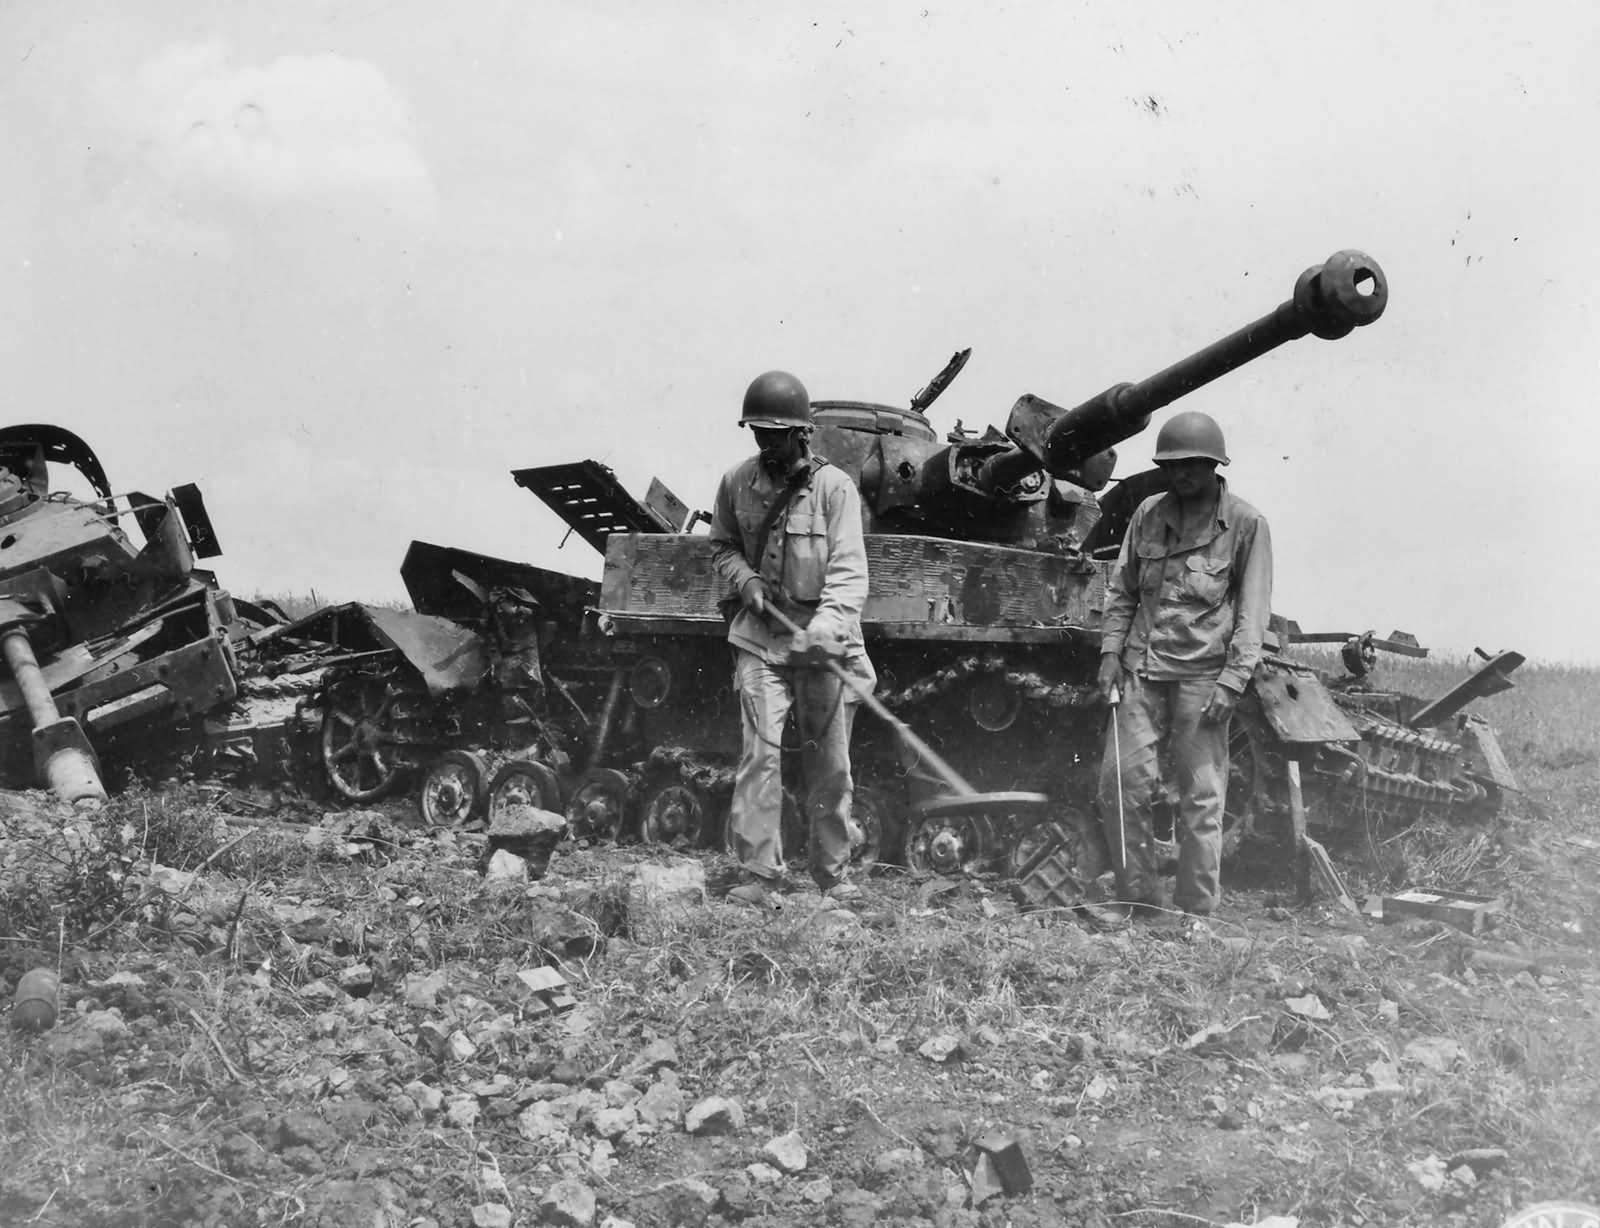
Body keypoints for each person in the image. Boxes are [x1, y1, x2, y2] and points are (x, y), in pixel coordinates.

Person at [1095, 410, 1272, 920]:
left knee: (1201, 798)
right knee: (1119, 783)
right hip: (1140, 672)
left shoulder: (1245, 524)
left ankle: (1195, 911)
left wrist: (1233, 682)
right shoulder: (1147, 513)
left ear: (1214, 465)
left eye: (1193, 464)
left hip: (1202, 676)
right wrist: (1110, 653)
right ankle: (1136, 898)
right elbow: (1122, 591)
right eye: (1172, 465)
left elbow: (1252, 613)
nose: (1182, 474)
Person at [709, 370, 875, 909]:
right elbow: (722, 547)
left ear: (803, 433)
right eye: (758, 433)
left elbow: (850, 574)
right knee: (760, 757)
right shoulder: (736, 481)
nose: (766, 443)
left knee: (831, 765)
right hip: (760, 641)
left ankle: (831, 875)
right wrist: (747, 579)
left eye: (776, 434)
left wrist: (824, 632)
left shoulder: (835, 490)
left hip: (823, 645)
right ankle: (760, 876)